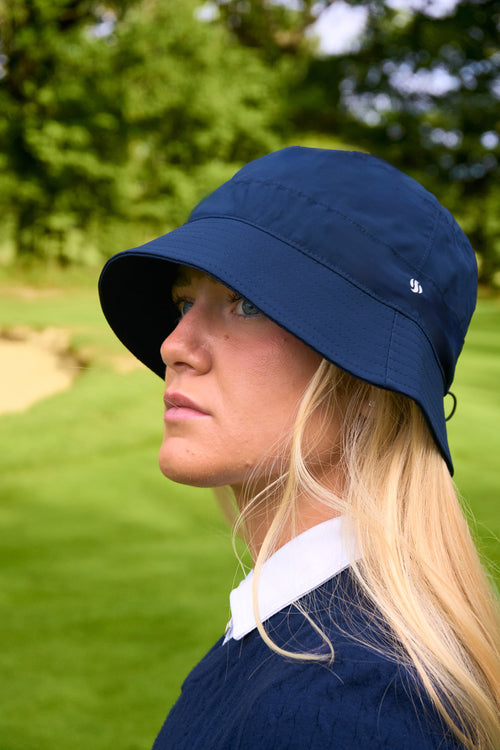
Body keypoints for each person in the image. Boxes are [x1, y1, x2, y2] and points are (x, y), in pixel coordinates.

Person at [98, 147, 500, 749]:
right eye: (185, 303)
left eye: (248, 304)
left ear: (371, 387)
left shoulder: (344, 709)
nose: (175, 345)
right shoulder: (299, 641)